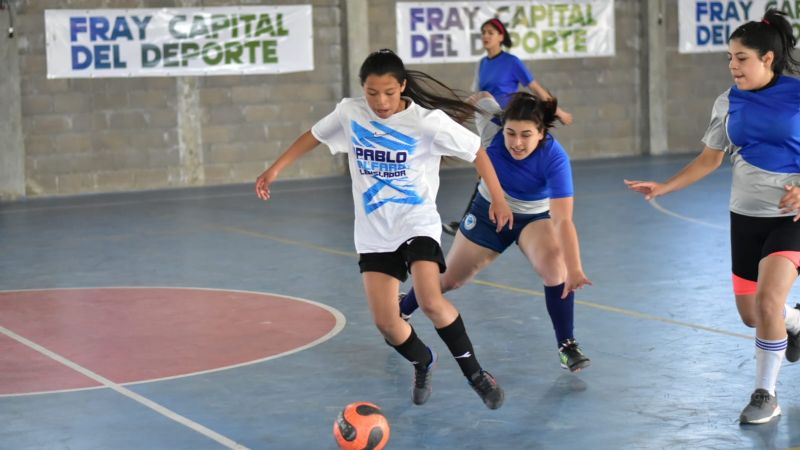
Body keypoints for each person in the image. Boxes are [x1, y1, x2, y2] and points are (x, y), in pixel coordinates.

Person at [255, 49, 514, 409]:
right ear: (362, 89)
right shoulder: (350, 112)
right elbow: (313, 135)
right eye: (372, 93)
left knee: (430, 300)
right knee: (387, 324)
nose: (381, 101)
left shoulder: (427, 122)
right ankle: (423, 361)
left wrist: (498, 198)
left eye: (389, 93)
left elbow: (476, 152)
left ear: (403, 87)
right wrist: (275, 169)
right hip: (374, 232)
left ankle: (476, 375)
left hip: (416, 222)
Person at [625, 9, 800, 425]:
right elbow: (709, 159)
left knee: (768, 301)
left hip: (791, 218)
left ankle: (765, 395)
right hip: (745, 217)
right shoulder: (728, 101)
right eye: (729, 58)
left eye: (741, 58)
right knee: (753, 314)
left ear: (767, 58)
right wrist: (664, 186)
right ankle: (795, 321)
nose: (733, 66)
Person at [400, 91, 593, 372]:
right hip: (487, 212)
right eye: (511, 133)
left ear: (541, 133)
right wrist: (456, 122)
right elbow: (481, 96)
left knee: (556, 267)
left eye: (526, 135)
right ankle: (403, 308)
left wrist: (574, 269)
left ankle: (567, 346)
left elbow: (563, 220)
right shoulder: (491, 123)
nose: (517, 143)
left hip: (533, 217)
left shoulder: (555, 158)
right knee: (448, 280)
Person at [443, 18, 573, 236]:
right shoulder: (482, 64)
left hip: (510, 123)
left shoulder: (512, 62)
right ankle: (471, 221)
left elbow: (535, 87)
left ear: (501, 37)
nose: (486, 36)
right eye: (483, 32)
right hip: (490, 122)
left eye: (491, 32)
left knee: (491, 172)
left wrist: (558, 111)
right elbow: (478, 95)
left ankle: (499, 218)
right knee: (484, 173)